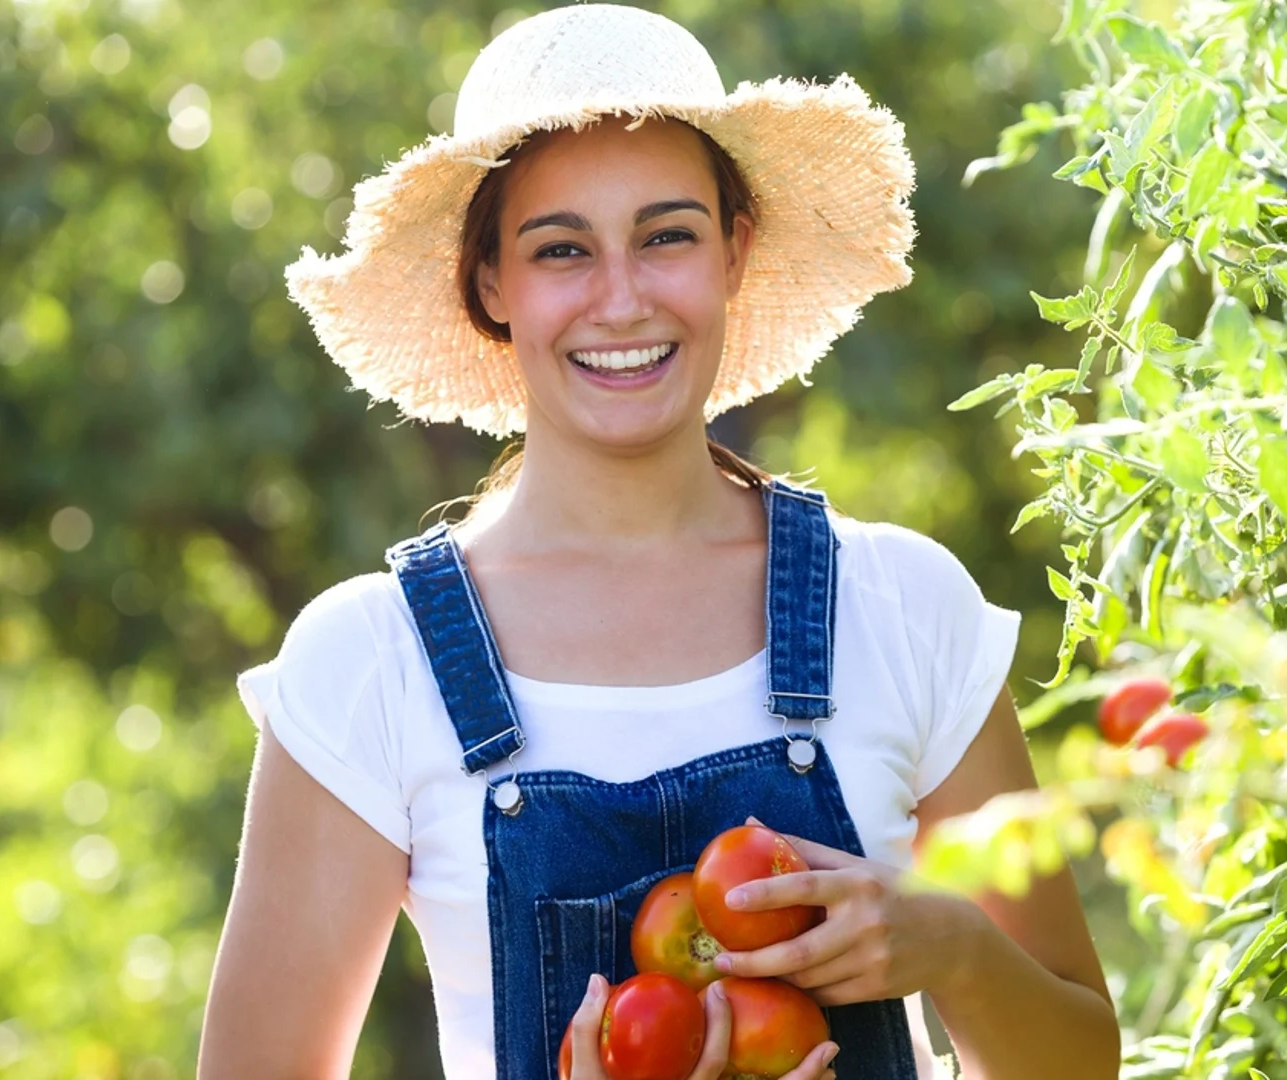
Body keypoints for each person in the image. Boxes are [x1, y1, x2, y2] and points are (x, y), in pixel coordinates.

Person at [198, 6, 1119, 1079]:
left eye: (667, 234)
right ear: (491, 282)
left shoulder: (903, 607)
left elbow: (1082, 1059)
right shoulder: (370, 664)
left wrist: (949, 948)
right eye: (560, 250)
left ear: (733, 249)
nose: (622, 298)